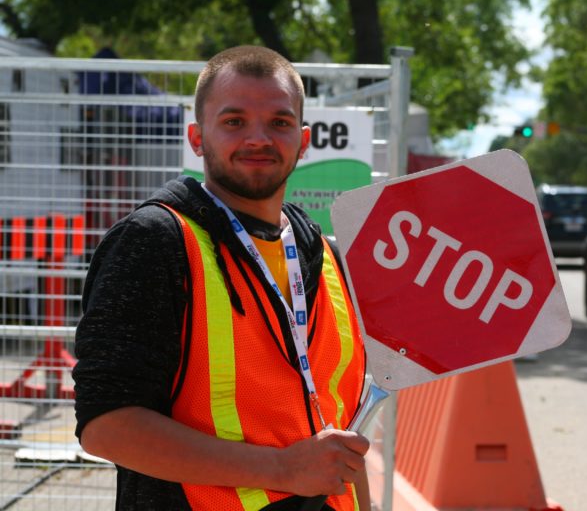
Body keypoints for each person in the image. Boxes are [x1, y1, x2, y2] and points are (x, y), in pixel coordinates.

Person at [73, 45, 370, 511]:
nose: (259, 138)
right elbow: (105, 425)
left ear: (304, 140)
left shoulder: (323, 254)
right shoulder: (154, 242)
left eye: (279, 122)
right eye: (234, 122)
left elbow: (340, 431)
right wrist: (283, 470)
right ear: (197, 137)